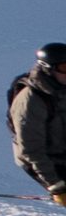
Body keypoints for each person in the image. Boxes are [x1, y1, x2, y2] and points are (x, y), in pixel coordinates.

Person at [10, 43, 66, 204]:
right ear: (48, 68)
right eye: (64, 68)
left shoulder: (62, 88)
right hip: (44, 161)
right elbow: (31, 150)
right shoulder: (31, 101)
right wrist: (55, 185)